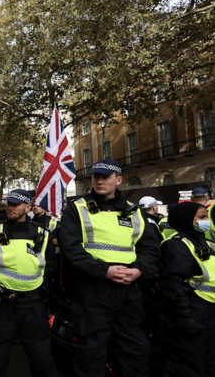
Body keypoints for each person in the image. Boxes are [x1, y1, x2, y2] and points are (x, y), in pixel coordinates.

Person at [59, 159, 160, 376]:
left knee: (135, 350)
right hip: (93, 289)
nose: (99, 181)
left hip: (128, 290)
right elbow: (71, 248)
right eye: (96, 176)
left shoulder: (135, 212)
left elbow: (151, 250)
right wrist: (103, 271)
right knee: (91, 353)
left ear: (119, 180)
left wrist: (138, 271)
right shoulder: (77, 208)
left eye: (106, 177)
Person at [0, 189, 59, 376]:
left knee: (41, 356)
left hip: (33, 304)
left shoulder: (42, 233)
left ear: (28, 207)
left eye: (16, 204)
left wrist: (42, 286)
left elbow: (51, 263)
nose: (11, 208)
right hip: (3, 304)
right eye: (9, 204)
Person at [158, 202, 215, 376]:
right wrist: (184, 314)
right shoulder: (177, 245)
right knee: (188, 362)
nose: (206, 221)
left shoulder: (208, 244)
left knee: (210, 360)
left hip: (209, 309)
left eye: (206, 217)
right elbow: (172, 283)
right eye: (202, 217)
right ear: (187, 219)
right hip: (192, 309)